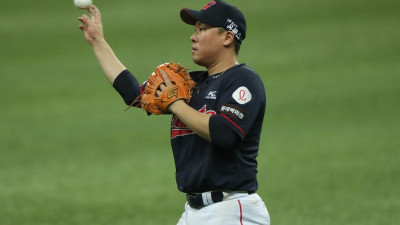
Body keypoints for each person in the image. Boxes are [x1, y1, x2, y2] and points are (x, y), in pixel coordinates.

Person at [78, 1, 270, 224]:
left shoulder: (243, 79)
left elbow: (225, 133)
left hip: (231, 210)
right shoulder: (193, 84)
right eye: (194, 29)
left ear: (227, 37)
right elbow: (134, 94)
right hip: (194, 213)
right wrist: (98, 42)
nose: (193, 36)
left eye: (202, 29)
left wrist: (176, 104)